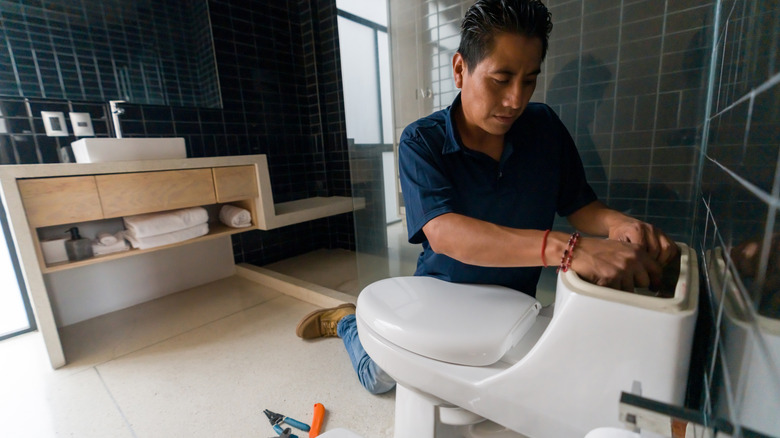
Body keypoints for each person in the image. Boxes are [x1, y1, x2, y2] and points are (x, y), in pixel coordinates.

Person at [295, 0, 679, 395]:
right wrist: (569, 250)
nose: (516, 99)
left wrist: (619, 224)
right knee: (382, 379)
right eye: (501, 78)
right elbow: (444, 233)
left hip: (512, 304)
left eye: (529, 80)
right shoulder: (421, 140)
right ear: (461, 70)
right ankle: (347, 321)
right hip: (441, 294)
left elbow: (582, 207)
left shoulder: (545, 128)